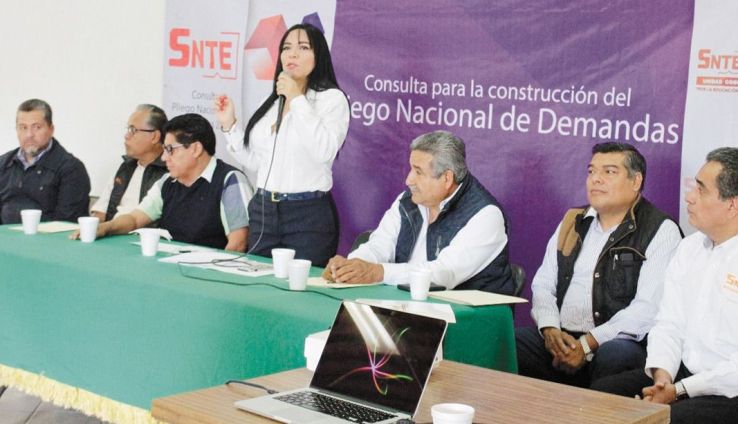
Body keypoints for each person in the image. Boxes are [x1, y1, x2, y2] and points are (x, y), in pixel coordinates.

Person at [515, 142, 682, 388]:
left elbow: (647, 310)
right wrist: (550, 329)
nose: (596, 179)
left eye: (609, 172)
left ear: (636, 181)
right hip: (563, 338)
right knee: (510, 343)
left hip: (614, 342)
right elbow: (543, 283)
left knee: (616, 354)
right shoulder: (573, 220)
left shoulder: (660, 230)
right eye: (592, 171)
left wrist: (587, 344)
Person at [591, 147, 738, 423]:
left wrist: (679, 391)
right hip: (680, 375)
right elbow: (668, 322)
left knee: (663, 419)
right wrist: (663, 378)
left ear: (732, 205)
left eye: (701, 190)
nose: (689, 197)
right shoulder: (690, 248)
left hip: (726, 390)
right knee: (600, 397)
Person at [215, 23, 349, 266]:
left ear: (318, 55)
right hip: (264, 211)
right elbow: (257, 162)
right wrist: (230, 126)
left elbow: (324, 150)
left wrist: (297, 98)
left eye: (303, 47)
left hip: (307, 215)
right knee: (258, 281)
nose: (292, 54)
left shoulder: (331, 100)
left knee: (301, 284)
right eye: (286, 48)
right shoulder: (272, 102)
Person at [324, 130, 514, 293]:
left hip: (469, 318)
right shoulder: (408, 200)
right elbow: (380, 245)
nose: (409, 180)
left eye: (418, 172)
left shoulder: (486, 215)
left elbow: (443, 274)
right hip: (411, 307)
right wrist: (350, 267)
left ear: (447, 178)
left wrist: (378, 272)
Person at [71, 113, 251, 251]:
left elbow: (238, 244)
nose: (164, 158)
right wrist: (105, 228)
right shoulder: (167, 181)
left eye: (170, 149)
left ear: (196, 149)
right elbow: (135, 219)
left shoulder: (230, 181)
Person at [0, 98, 90, 224]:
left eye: (37, 127)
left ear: (51, 129)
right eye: (23, 127)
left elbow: (66, 223)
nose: (29, 134)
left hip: (46, 236)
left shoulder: (71, 169)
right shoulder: (3, 164)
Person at [90, 104, 168, 222]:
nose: (126, 136)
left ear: (155, 137)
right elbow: (101, 211)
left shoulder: (168, 173)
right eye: (128, 129)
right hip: (112, 229)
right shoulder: (125, 167)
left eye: (133, 130)